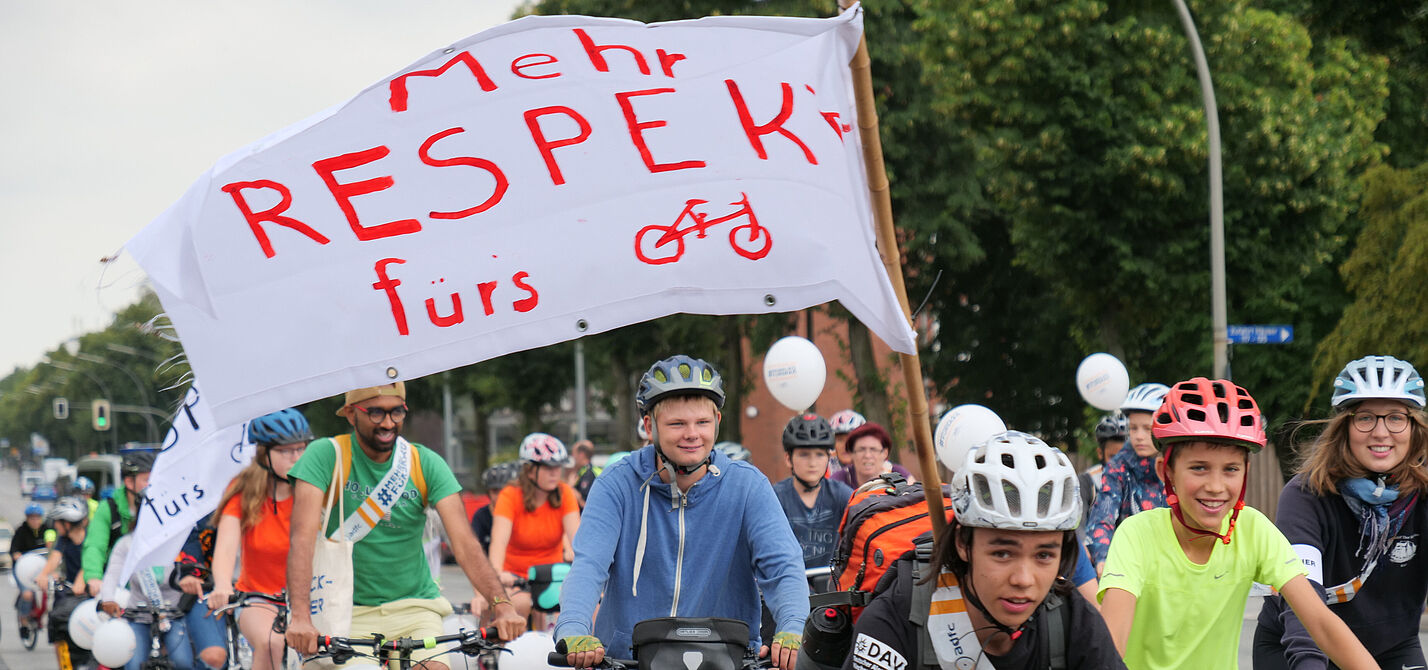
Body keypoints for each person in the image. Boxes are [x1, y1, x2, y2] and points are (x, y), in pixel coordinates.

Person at [1099, 378, 1378, 670]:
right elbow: (1111, 644)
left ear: (1246, 471)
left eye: (1230, 469)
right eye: (1199, 468)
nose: (1216, 486)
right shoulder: (1136, 535)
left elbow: (1321, 623)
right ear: (1166, 472)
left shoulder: (1252, 530)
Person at [555, 355, 808, 670]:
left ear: (716, 420)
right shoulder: (616, 484)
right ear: (650, 426)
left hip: (725, 658)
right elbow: (588, 567)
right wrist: (574, 627)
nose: (692, 434)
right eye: (677, 424)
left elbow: (783, 567)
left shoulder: (747, 486)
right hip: (630, 659)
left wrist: (794, 626)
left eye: (702, 422)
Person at [285, 382, 524, 668]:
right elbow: (302, 540)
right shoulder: (326, 455)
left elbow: (464, 543)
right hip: (347, 611)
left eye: (396, 412)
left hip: (416, 608)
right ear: (350, 413)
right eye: (376, 413)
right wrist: (300, 617)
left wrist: (503, 606)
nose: (388, 423)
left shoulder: (424, 462)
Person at [846, 431, 1126, 669]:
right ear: (962, 543)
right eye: (1002, 553)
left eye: (1044, 555)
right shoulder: (898, 617)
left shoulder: (1071, 619)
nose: (1023, 579)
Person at [1254, 355, 1428, 669]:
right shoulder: (1306, 496)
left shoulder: (1423, 495)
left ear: (1414, 428)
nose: (1381, 432)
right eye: (1365, 418)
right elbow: (1304, 606)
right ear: (1345, 427)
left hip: (1392, 647)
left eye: (1396, 418)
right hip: (1301, 645)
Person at [208, 408, 313, 670]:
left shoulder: (313, 488)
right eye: (286, 451)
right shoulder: (243, 491)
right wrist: (222, 585)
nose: (296, 457)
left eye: (301, 449)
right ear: (264, 453)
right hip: (259, 599)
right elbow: (226, 547)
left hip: (311, 597)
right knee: (272, 643)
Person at [488, 433, 581, 624]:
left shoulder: (565, 493)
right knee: (519, 605)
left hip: (552, 577)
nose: (555, 473)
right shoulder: (510, 496)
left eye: (558, 467)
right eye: (548, 467)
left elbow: (579, 542)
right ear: (530, 470)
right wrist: (497, 573)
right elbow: (498, 543)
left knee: (582, 610)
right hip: (515, 578)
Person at [1087, 383, 1169, 573]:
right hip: (1132, 564)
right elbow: (1103, 516)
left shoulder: (1180, 464)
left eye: (1147, 429)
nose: (1139, 436)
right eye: (1133, 428)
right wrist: (1103, 559)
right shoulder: (1118, 467)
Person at [98, 534, 199, 670]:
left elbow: (192, 565)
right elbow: (112, 574)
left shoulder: (177, 539)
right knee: (134, 665)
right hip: (138, 616)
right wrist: (108, 599)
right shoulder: (128, 543)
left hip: (172, 615)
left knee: (182, 662)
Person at [772, 414, 853, 575]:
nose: (812, 463)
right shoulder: (775, 498)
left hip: (832, 583)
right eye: (804, 454)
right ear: (788, 459)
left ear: (829, 457)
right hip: (789, 582)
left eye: (820, 454)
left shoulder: (841, 495)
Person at [84, 450, 155, 597]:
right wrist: (94, 577)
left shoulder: (162, 507)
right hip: (118, 586)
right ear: (129, 482)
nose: (152, 484)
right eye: (147, 480)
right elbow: (95, 546)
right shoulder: (108, 508)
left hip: (156, 586)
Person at [831, 421, 914, 489]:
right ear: (851, 453)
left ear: (885, 453)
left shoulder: (899, 474)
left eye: (873, 449)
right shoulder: (838, 480)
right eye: (861, 450)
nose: (867, 455)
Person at [37, 498, 89, 592]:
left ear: (67, 524)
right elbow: (55, 556)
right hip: (71, 589)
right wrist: (43, 574)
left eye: (57, 522)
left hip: (91, 590)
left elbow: (89, 563)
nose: (55, 526)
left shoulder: (90, 539)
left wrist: (80, 582)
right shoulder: (64, 539)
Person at [827, 409, 866, 477]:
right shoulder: (822, 470)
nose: (845, 446)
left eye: (851, 440)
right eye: (840, 440)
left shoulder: (879, 469)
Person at [566, 439, 600, 504]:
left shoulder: (588, 474)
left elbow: (585, 503)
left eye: (574, 453)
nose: (573, 457)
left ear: (581, 455)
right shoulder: (585, 471)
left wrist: (569, 487)